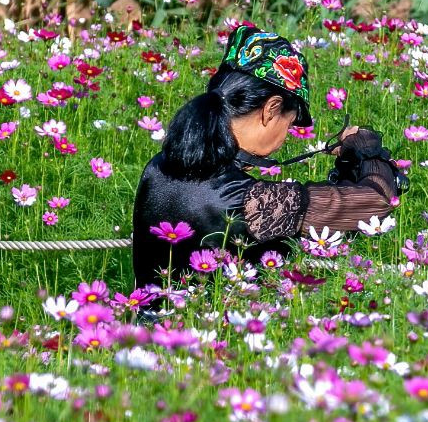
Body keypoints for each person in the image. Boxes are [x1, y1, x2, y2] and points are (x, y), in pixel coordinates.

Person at [130, 27, 405, 292]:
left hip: (146, 332)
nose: (285, 137)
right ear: (271, 109)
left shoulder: (159, 165)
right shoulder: (250, 202)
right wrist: (364, 146)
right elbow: (376, 201)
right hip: (218, 336)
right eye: (290, 123)